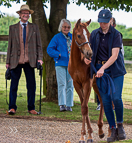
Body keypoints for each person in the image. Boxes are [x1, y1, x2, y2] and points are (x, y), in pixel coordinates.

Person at [84, 9, 127, 142]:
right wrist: (87, 59)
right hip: (99, 70)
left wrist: (102, 68)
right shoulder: (94, 34)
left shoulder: (116, 35)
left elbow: (114, 56)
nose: (102, 24)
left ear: (110, 21)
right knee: (106, 101)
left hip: (115, 71)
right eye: (100, 22)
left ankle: (120, 125)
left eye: (105, 22)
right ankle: (113, 129)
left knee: (116, 98)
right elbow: (89, 51)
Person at [6, 4, 43, 115]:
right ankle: (12, 107)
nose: (26, 15)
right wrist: (7, 61)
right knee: (14, 85)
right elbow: (10, 46)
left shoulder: (34, 27)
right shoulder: (12, 28)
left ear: (29, 15)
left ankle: (31, 108)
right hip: (15, 61)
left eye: (27, 13)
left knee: (31, 85)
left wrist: (40, 58)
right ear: (20, 14)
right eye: (24, 13)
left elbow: (39, 45)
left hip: (30, 61)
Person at [47, 19, 74, 112]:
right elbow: (49, 49)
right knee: (62, 84)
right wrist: (58, 54)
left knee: (70, 84)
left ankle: (69, 105)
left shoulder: (72, 37)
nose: (66, 28)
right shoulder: (56, 37)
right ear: (61, 27)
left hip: (71, 64)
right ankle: (62, 104)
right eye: (64, 27)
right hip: (60, 64)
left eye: (68, 27)